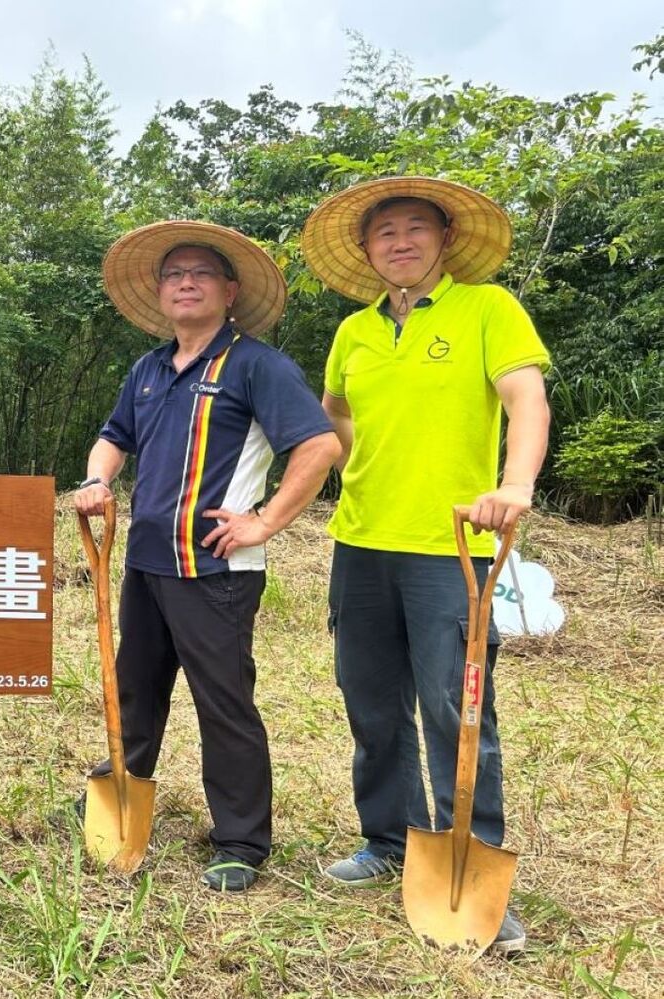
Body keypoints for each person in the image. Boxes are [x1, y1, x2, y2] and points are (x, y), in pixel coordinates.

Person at [303, 177, 551, 954]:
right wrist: (338, 469)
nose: (400, 241)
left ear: (444, 240)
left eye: (416, 228)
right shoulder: (354, 333)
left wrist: (514, 485)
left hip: (456, 547)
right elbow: (335, 416)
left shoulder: (488, 310)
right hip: (363, 539)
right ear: (368, 250)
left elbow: (526, 401)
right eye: (385, 232)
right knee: (370, 700)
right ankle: (387, 839)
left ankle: (479, 873)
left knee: (457, 707)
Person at [73, 220, 341, 890]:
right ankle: (117, 796)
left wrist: (266, 520)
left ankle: (241, 840)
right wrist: (98, 478)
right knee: (133, 691)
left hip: (216, 569)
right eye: (173, 274)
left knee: (223, 702)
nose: (185, 282)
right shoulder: (150, 368)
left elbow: (319, 446)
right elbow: (113, 436)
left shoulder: (256, 365)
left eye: (199, 273)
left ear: (229, 290)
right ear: (161, 293)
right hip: (146, 563)